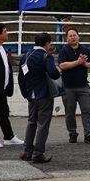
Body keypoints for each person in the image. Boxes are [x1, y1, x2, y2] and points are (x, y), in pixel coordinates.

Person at [18, 33, 61, 164]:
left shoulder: (25, 56)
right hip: (44, 94)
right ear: (47, 43)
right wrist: (58, 70)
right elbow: (53, 74)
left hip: (31, 94)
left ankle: (27, 151)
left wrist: (25, 93)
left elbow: (21, 78)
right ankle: (38, 153)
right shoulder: (46, 56)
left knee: (31, 122)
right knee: (43, 124)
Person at [57, 26, 90, 145]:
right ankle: (72, 133)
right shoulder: (64, 51)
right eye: (70, 36)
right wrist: (78, 62)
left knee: (86, 111)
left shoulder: (85, 50)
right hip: (68, 88)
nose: (73, 37)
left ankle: (88, 134)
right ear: (67, 39)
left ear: (78, 37)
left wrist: (85, 64)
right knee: (70, 112)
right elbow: (62, 66)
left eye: (74, 35)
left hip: (83, 86)